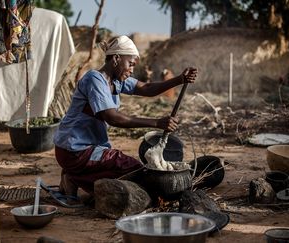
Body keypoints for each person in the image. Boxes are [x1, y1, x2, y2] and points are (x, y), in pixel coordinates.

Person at [52, 35, 197, 206]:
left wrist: (179, 79)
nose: (132, 70)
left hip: (87, 149)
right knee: (132, 168)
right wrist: (157, 123)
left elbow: (147, 88)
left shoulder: (116, 81)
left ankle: (73, 177)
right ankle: (74, 175)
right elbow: (112, 118)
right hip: (75, 150)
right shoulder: (95, 80)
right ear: (116, 59)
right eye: (130, 64)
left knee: (124, 176)